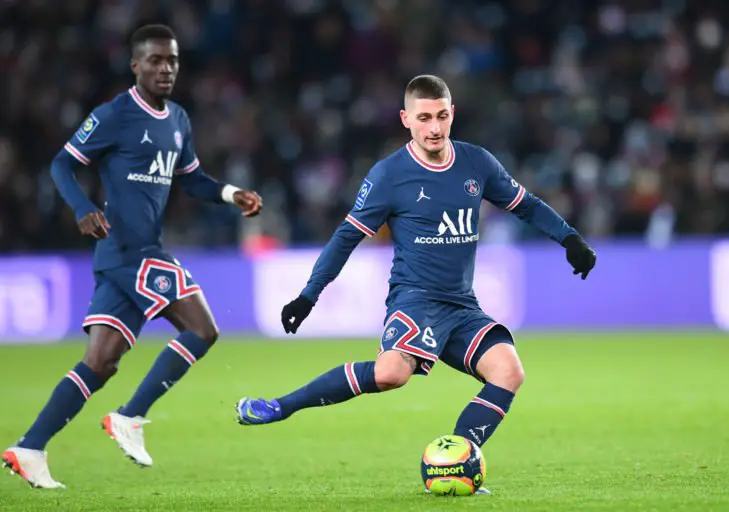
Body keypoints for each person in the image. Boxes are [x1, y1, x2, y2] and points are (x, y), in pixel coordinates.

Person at [235, 75, 595, 493]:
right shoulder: (390, 175)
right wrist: (308, 295)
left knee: (509, 371)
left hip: (461, 305)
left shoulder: (476, 162)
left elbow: (526, 205)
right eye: (424, 118)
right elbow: (347, 237)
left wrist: (569, 238)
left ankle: (456, 462)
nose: (435, 128)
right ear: (406, 119)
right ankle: (280, 406)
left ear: (452, 114)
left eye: (442, 116)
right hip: (415, 299)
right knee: (391, 373)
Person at [2, 24, 262, 489]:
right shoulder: (114, 115)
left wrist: (230, 194)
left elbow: (191, 179)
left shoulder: (178, 119)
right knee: (202, 329)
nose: (166, 69)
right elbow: (62, 163)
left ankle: (30, 447)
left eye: (173, 60)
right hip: (131, 251)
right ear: (135, 65)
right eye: (156, 60)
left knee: (100, 363)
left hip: (126, 258)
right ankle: (131, 415)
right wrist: (81, 208)